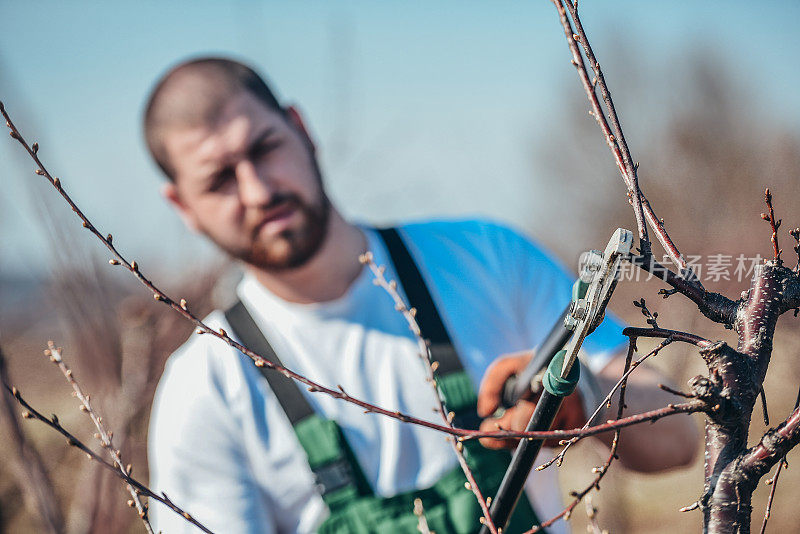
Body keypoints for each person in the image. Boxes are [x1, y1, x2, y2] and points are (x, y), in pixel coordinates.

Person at [143, 57, 698, 534]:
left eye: (265, 148)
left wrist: (581, 398)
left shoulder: (485, 257)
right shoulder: (205, 388)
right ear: (182, 207)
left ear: (299, 126)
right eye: (219, 180)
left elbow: (678, 438)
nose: (258, 190)